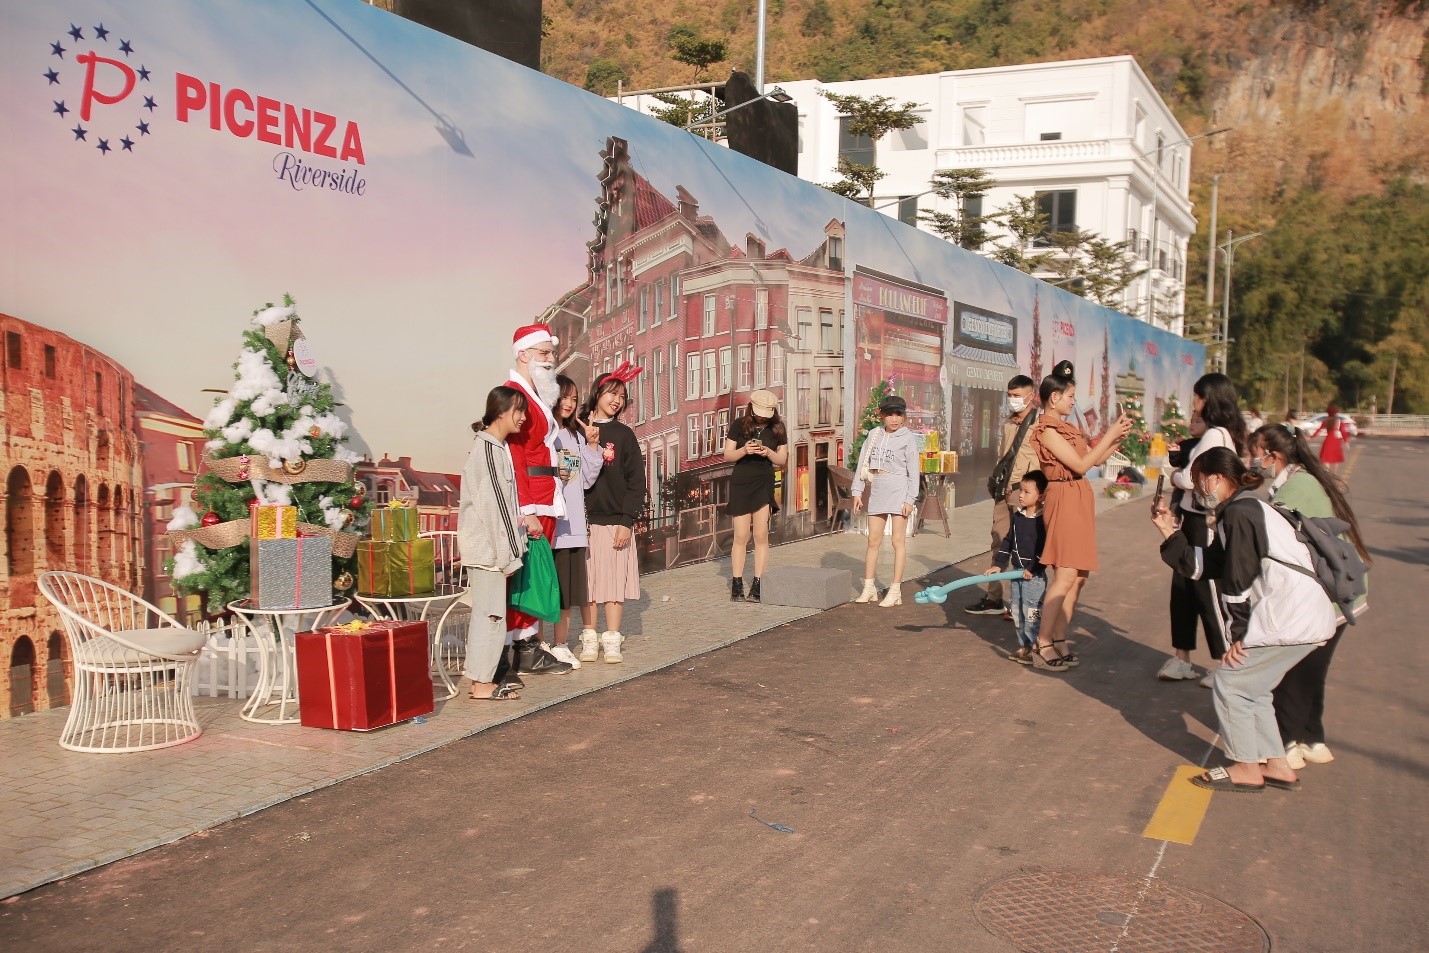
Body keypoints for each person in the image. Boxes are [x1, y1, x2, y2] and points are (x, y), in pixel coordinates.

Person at [1152, 447, 1337, 793]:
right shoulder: (1242, 509)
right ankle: (1276, 765)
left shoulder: (1240, 513)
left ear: (1218, 479)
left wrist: (1236, 636)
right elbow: (1208, 566)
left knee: (1231, 681)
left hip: (1291, 616)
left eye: (1198, 482)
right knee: (1253, 687)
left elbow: (1237, 580)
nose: (1196, 490)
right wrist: (1168, 532)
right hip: (1303, 616)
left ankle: (1246, 767)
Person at [1255, 422, 1370, 769]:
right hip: (1335, 590)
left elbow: (1269, 532)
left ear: (1272, 455)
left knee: (1293, 669)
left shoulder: (1298, 486)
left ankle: (1287, 743)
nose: (1252, 459)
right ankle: (1312, 739)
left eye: (1254, 452)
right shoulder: (1298, 480)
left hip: (1328, 594)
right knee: (1312, 669)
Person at [1027, 363, 1132, 671]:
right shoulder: (1046, 430)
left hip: (1078, 496)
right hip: (1063, 496)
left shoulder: (1068, 428)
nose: (1073, 401)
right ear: (1053, 397)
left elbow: (1091, 460)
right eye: (1070, 396)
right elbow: (1081, 464)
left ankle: (1059, 638)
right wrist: (1110, 432)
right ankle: (1043, 641)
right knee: (1066, 574)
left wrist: (1115, 439)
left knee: (1079, 577)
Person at [1159, 373, 1249, 686]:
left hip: (1204, 521)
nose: (1193, 403)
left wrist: (1175, 476)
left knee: (1208, 591)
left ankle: (1227, 662)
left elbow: (1190, 478)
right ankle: (1181, 658)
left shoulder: (1216, 436)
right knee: (1182, 591)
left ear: (1207, 398)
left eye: (1196, 397)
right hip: (1190, 518)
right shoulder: (1216, 433)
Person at [502, 323, 574, 675]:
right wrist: (526, 509)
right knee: (525, 577)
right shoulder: (515, 395)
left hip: (545, 495)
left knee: (531, 575)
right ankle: (515, 649)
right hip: (532, 500)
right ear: (523, 354)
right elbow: (515, 457)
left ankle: (526, 646)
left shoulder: (534, 395)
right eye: (544, 353)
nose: (550, 360)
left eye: (551, 353)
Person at [458, 386, 529, 701]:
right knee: (491, 616)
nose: (524, 418)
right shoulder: (488, 450)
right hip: (488, 553)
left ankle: (481, 680)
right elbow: (495, 509)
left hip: (488, 552)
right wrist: (509, 557)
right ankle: (482, 684)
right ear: (502, 410)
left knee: (488, 615)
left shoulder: (493, 448)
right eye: (519, 410)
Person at [582, 369, 647, 663]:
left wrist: (626, 520)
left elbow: (637, 482)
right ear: (597, 393)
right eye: (612, 393)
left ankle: (612, 639)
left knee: (613, 585)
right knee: (589, 585)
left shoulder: (624, 435)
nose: (617, 401)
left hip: (615, 522)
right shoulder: (576, 430)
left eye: (622, 397)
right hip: (583, 523)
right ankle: (589, 638)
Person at [966, 375, 1040, 619]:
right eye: (1009, 395)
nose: (1013, 400)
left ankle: (1022, 603)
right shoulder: (1009, 423)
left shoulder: (1039, 424)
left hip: (1025, 492)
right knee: (999, 542)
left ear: (1031, 395)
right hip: (1004, 491)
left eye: (1017, 395)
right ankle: (993, 599)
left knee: (1024, 547)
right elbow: (1004, 457)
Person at [550, 375, 605, 668]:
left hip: (571, 529)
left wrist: (593, 447)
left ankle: (560, 644)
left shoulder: (574, 436)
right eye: (564, 397)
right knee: (547, 589)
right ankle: (535, 644)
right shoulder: (544, 433)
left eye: (574, 398)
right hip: (547, 527)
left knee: (567, 594)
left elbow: (581, 480)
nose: (570, 404)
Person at [850, 394, 921, 607]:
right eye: (889, 414)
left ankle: (895, 589)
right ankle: (869, 588)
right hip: (878, 489)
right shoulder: (874, 435)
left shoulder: (908, 438)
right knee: (873, 540)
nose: (894, 419)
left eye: (898, 414)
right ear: (882, 415)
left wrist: (910, 499)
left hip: (899, 490)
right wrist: (857, 491)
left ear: (904, 416)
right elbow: (862, 464)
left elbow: (913, 472)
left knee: (897, 541)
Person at [723, 389, 788, 603]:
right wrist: (745, 450)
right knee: (741, 535)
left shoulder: (778, 428)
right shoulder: (739, 425)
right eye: (759, 413)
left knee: (761, 534)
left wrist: (768, 452)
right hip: (742, 481)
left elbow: (782, 460)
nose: (761, 417)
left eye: (766, 414)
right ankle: (737, 582)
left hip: (764, 481)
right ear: (751, 407)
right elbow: (727, 455)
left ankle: (758, 582)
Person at [986, 470, 1048, 665]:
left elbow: (1043, 549)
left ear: (1041, 495)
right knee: (1017, 611)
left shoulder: (1042, 521)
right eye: (1020, 490)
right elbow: (1007, 543)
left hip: (1033, 577)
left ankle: (1036, 647)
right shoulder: (1018, 517)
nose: (1020, 495)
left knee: (1031, 613)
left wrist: (1032, 568)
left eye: (1026, 492)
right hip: (1016, 575)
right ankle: (1024, 647)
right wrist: (998, 565)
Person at [1312, 404, 1352, 473]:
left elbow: (1318, 430)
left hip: (1328, 441)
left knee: (1326, 458)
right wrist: (1346, 441)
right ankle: (1334, 473)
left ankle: (1326, 473)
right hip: (1336, 441)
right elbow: (1343, 432)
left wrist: (1311, 437)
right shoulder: (1339, 421)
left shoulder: (1326, 421)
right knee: (1335, 458)